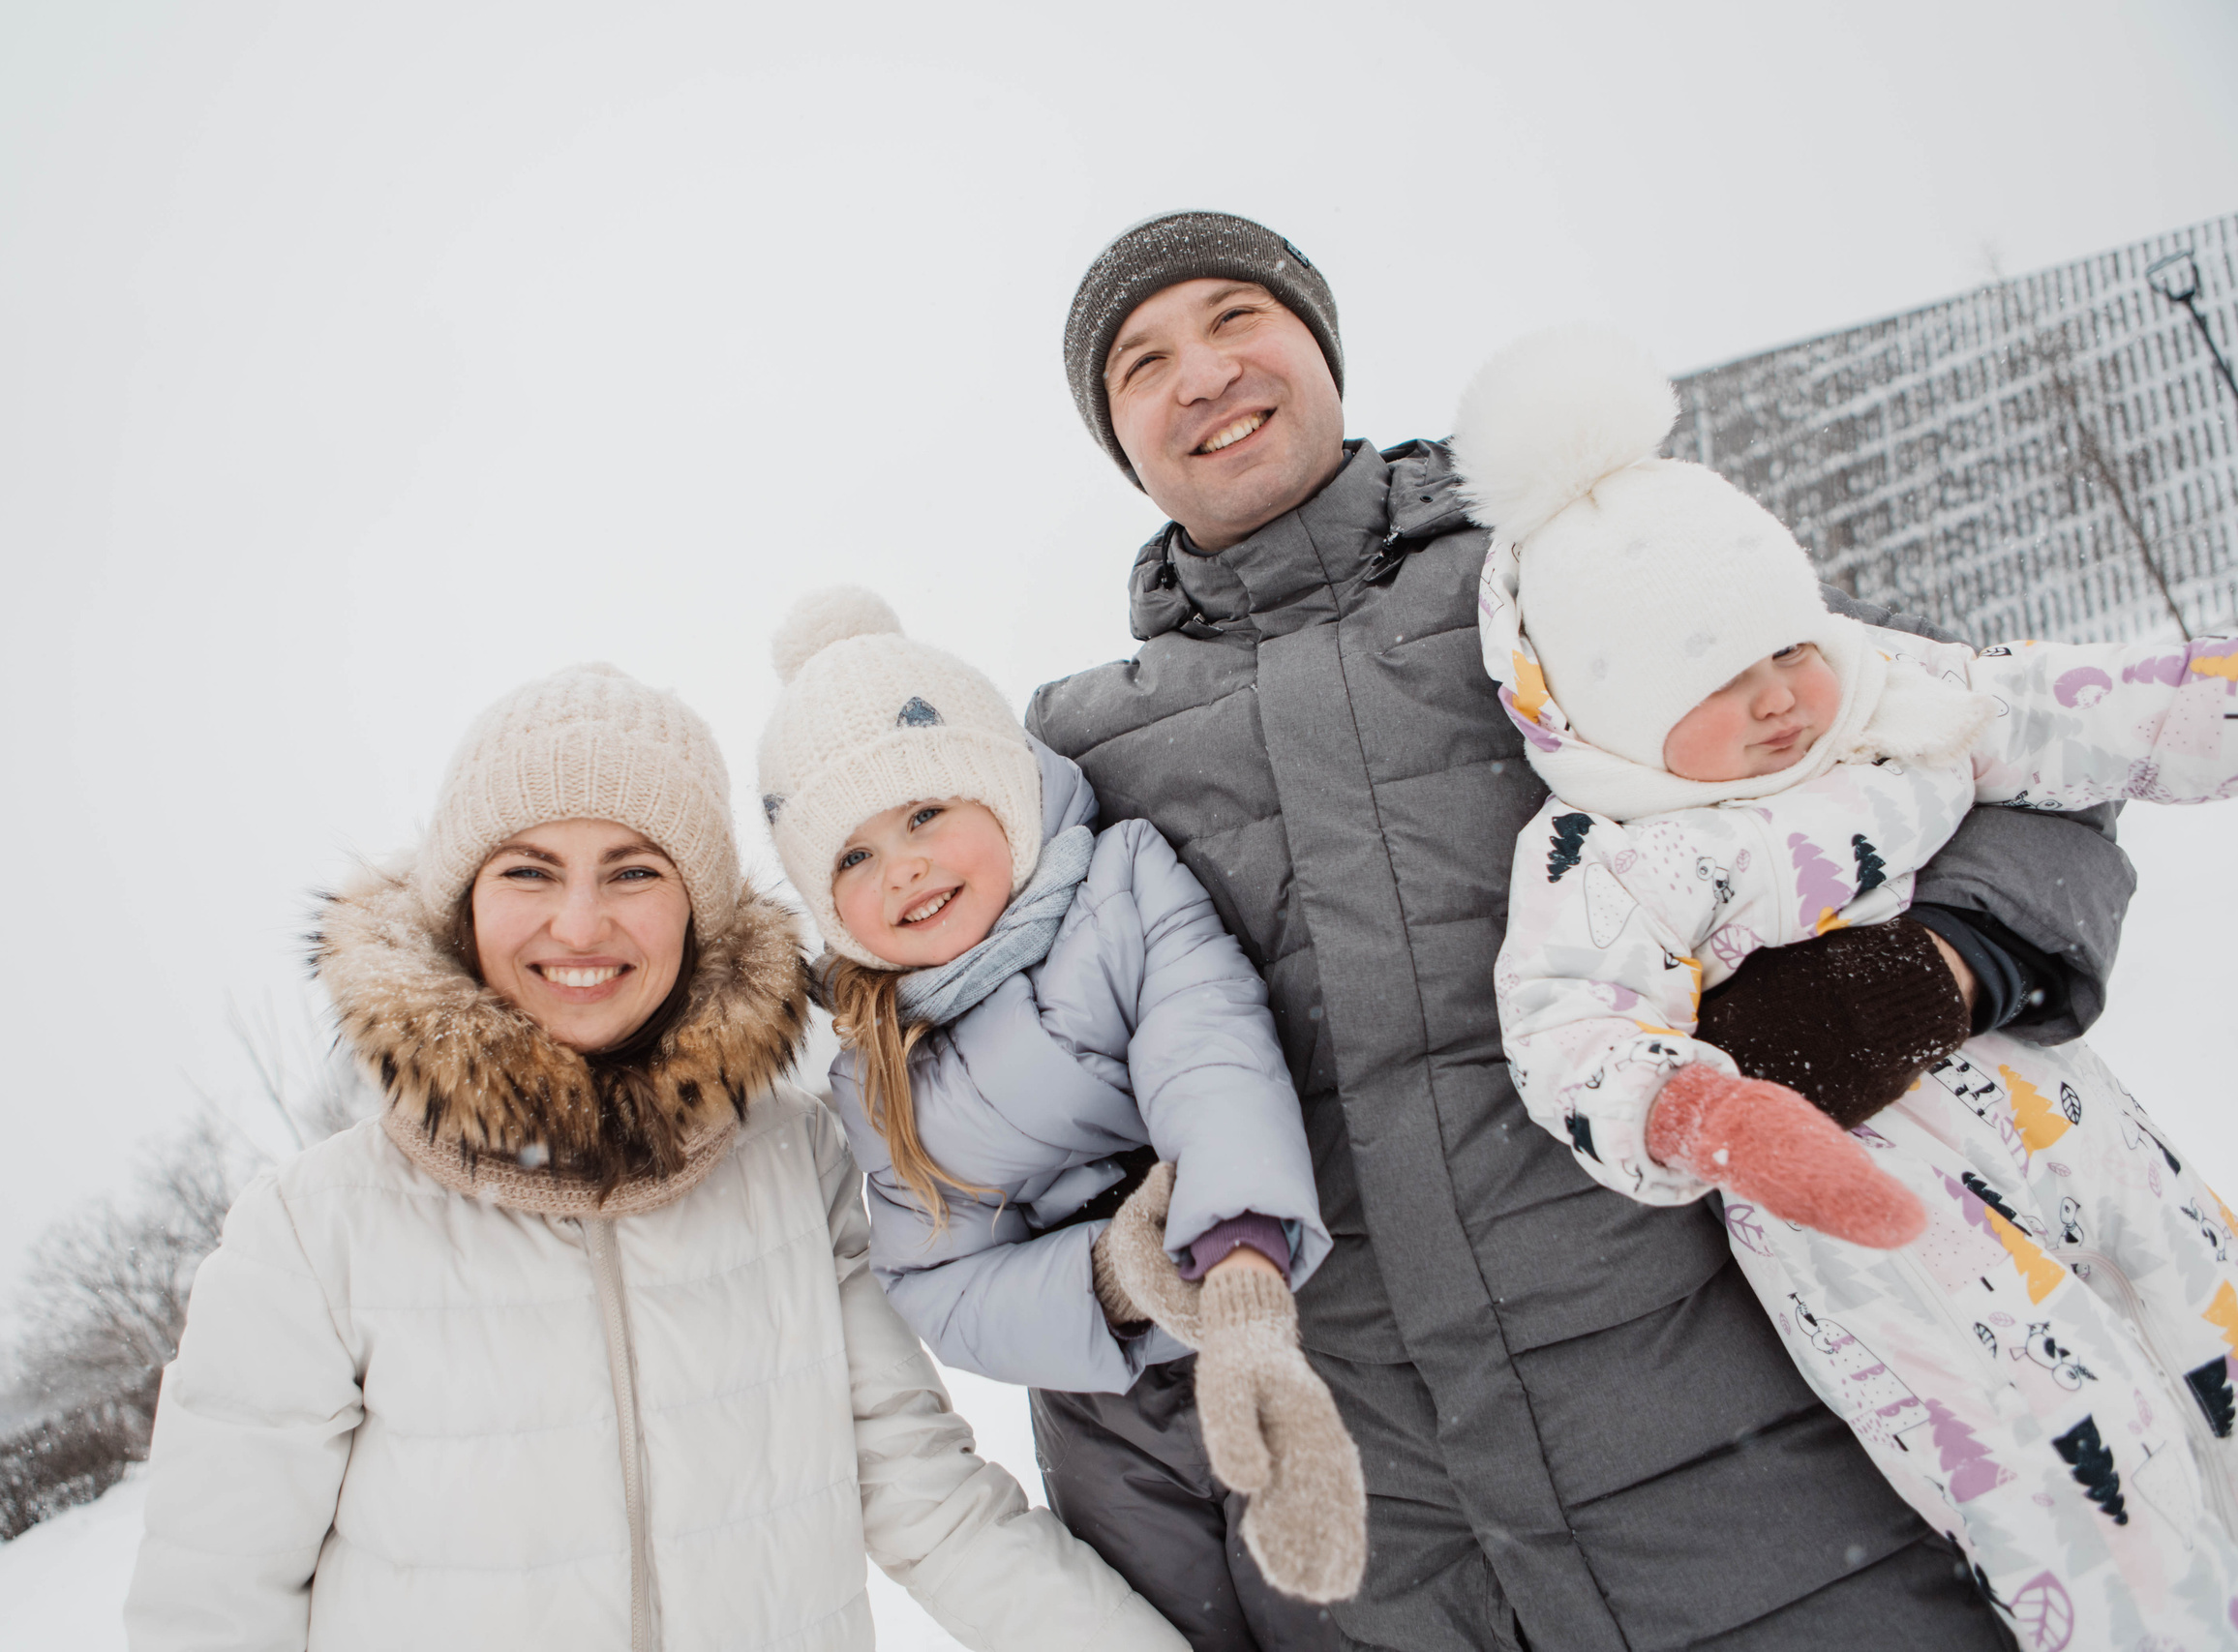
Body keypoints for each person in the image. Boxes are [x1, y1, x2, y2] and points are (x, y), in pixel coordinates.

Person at [1027, 209, 2139, 1648]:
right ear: (1119, 436)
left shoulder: (1577, 572)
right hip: (1404, 1564)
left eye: (1237, 315)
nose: (1202, 370)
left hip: (1784, 1482)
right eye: (1140, 361)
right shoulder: (1085, 760)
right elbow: (1037, 1156)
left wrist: (1946, 960)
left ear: (1320, 342)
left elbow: (1987, 741)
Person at [123, 663, 1188, 1652]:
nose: (579, 924)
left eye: (632, 870)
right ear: (460, 907)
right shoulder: (315, 1233)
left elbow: (929, 1504)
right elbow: (210, 1611)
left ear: (695, 911)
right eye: (528, 872)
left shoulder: (789, 1165)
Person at [1468, 324, 2238, 1645]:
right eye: (1714, 679)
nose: (1778, 699)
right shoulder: (1614, 848)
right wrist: (1704, 1110)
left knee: (2209, 1316)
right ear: (1607, 705)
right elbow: (1569, 1025)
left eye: (1785, 649)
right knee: (2084, 1489)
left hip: (2076, 1123)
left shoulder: (1881, 691)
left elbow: (2057, 706)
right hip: (1882, 1220)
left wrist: (2194, 701)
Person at [754, 587, 1359, 1651]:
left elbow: (1209, 1056)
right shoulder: (875, 1056)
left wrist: (1238, 1268)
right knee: (1173, 1621)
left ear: (1004, 792)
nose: (900, 865)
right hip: (1100, 1404)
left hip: (1261, 1306)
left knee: (1327, 1602)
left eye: (925, 813)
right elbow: (938, 1276)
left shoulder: (1119, 889)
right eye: (850, 856)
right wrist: (1117, 1278)